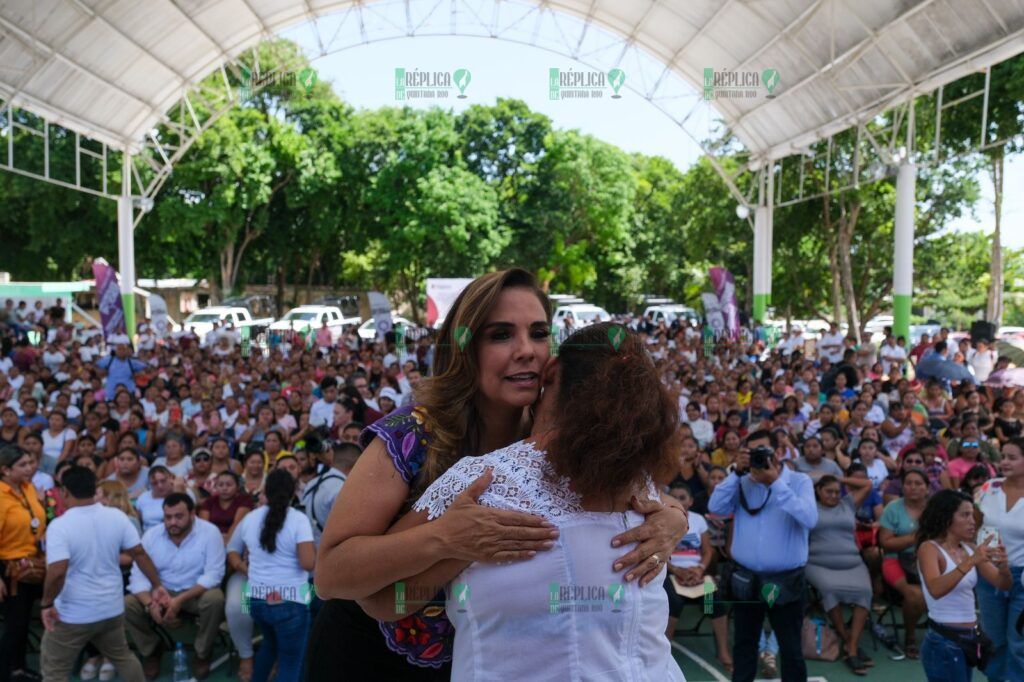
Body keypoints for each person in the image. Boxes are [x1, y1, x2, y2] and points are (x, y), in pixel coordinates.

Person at [312, 270, 686, 679]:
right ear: (464, 349)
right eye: (501, 335)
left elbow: (629, 494)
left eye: (539, 332)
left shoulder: (563, 442)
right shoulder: (411, 434)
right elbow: (331, 573)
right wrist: (445, 537)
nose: (526, 350)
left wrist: (671, 518)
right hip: (370, 656)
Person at [38, 466, 167, 682]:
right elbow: (139, 553)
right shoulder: (116, 516)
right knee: (123, 657)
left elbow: (58, 572)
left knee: (54, 671)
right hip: (111, 609)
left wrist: (46, 603)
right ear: (93, 488)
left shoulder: (60, 526)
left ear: (65, 492)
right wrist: (157, 585)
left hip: (72, 615)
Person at [708, 429, 818, 682]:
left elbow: (809, 518)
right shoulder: (742, 481)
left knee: (791, 650)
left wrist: (774, 483)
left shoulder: (799, 481)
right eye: (752, 452)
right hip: (746, 578)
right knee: (744, 645)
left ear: (778, 452)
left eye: (763, 451)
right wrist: (736, 472)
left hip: (786, 580)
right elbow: (715, 508)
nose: (757, 457)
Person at [124, 492, 226, 680]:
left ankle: (202, 653)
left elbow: (214, 575)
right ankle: (151, 650)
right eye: (168, 517)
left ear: (192, 514)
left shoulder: (210, 532)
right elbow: (138, 577)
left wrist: (178, 601)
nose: (172, 522)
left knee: (215, 599)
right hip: (161, 591)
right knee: (128, 604)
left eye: (179, 516)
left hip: (195, 592)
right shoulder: (151, 535)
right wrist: (150, 604)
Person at [228, 469, 316, 682]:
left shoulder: (250, 518)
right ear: (294, 492)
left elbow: (231, 550)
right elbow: (308, 563)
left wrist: (244, 567)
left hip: (257, 599)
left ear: (265, 490)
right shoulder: (299, 520)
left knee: (269, 647)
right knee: (290, 662)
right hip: (290, 601)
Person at [917, 489, 1012, 681]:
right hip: (944, 640)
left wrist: (1004, 568)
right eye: (965, 515)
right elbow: (935, 589)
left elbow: (1003, 584)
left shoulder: (970, 549)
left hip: (967, 638)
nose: (972, 521)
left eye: (972, 515)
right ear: (946, 518)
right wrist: (970, 562)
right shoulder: (929, 548)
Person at [806, 473, 876, 675]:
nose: (834, 495)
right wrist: (819, 479)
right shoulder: (809, 507)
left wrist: (838, 479)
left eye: (837, 492)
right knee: (829, 590)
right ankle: (848, 642)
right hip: (818, 563)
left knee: (865, 591)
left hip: (852, 562)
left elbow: (867, 484)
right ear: (818, 491)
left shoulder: (847, 504)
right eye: (829, 491)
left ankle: (851, 646)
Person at [663, 485, 731, 673]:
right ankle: (664, 652)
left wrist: (700, 570)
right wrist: (676, 570)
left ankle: (723, 651)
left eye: (682, 497)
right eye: (674, 497)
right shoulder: (663, 520)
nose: (679, 501)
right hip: (672, 572)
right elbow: (660, 553)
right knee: (674, 602)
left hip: (696, 573)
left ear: (691, 501)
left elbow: (708, 551)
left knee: (714, 603)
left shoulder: (699, 520)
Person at [973, 437, 1024, 681]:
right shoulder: (988, 488)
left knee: (1019, 643)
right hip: (989, 574)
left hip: (1023, 578)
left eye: (1012, 457)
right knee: (993, 640)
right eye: (1003, 456)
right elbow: (973, 526)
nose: (1004, 462)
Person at [0, 445, 48, 682]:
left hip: (34, 564)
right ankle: (7, 671)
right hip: (10, 568)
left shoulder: (29, 489)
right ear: (5, 470)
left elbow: (39, 521)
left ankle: (18, 668)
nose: (31, 468)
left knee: (23, 620)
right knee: (15, 624)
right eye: (23, 465)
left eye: (31, 463)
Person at [880, 468, 931, 658]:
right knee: (915, 596)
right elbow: (886, 543)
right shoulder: (892, 509)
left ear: (927, 488)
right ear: (902, 487)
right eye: (908, 483)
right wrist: (915, 537)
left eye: (918, 483)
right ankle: (910, 636)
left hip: (929, 558)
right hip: (896, 559)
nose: (913, 487)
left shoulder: (934, 509)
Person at [301, 441, 360, 547]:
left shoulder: (311, 483)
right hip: (332, 554)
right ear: (357, 463)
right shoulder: (344, 489)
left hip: (308, 551)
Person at [199, 471, 252, 539]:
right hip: (211, 538)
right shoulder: (209, 502)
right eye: (220, 485)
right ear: (215, 487)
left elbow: (237, 525)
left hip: (236, 538)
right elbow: (203, 526)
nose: (224, 488)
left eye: (229, 485)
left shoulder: (244, 500)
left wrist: (226, 541)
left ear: (237, 487)